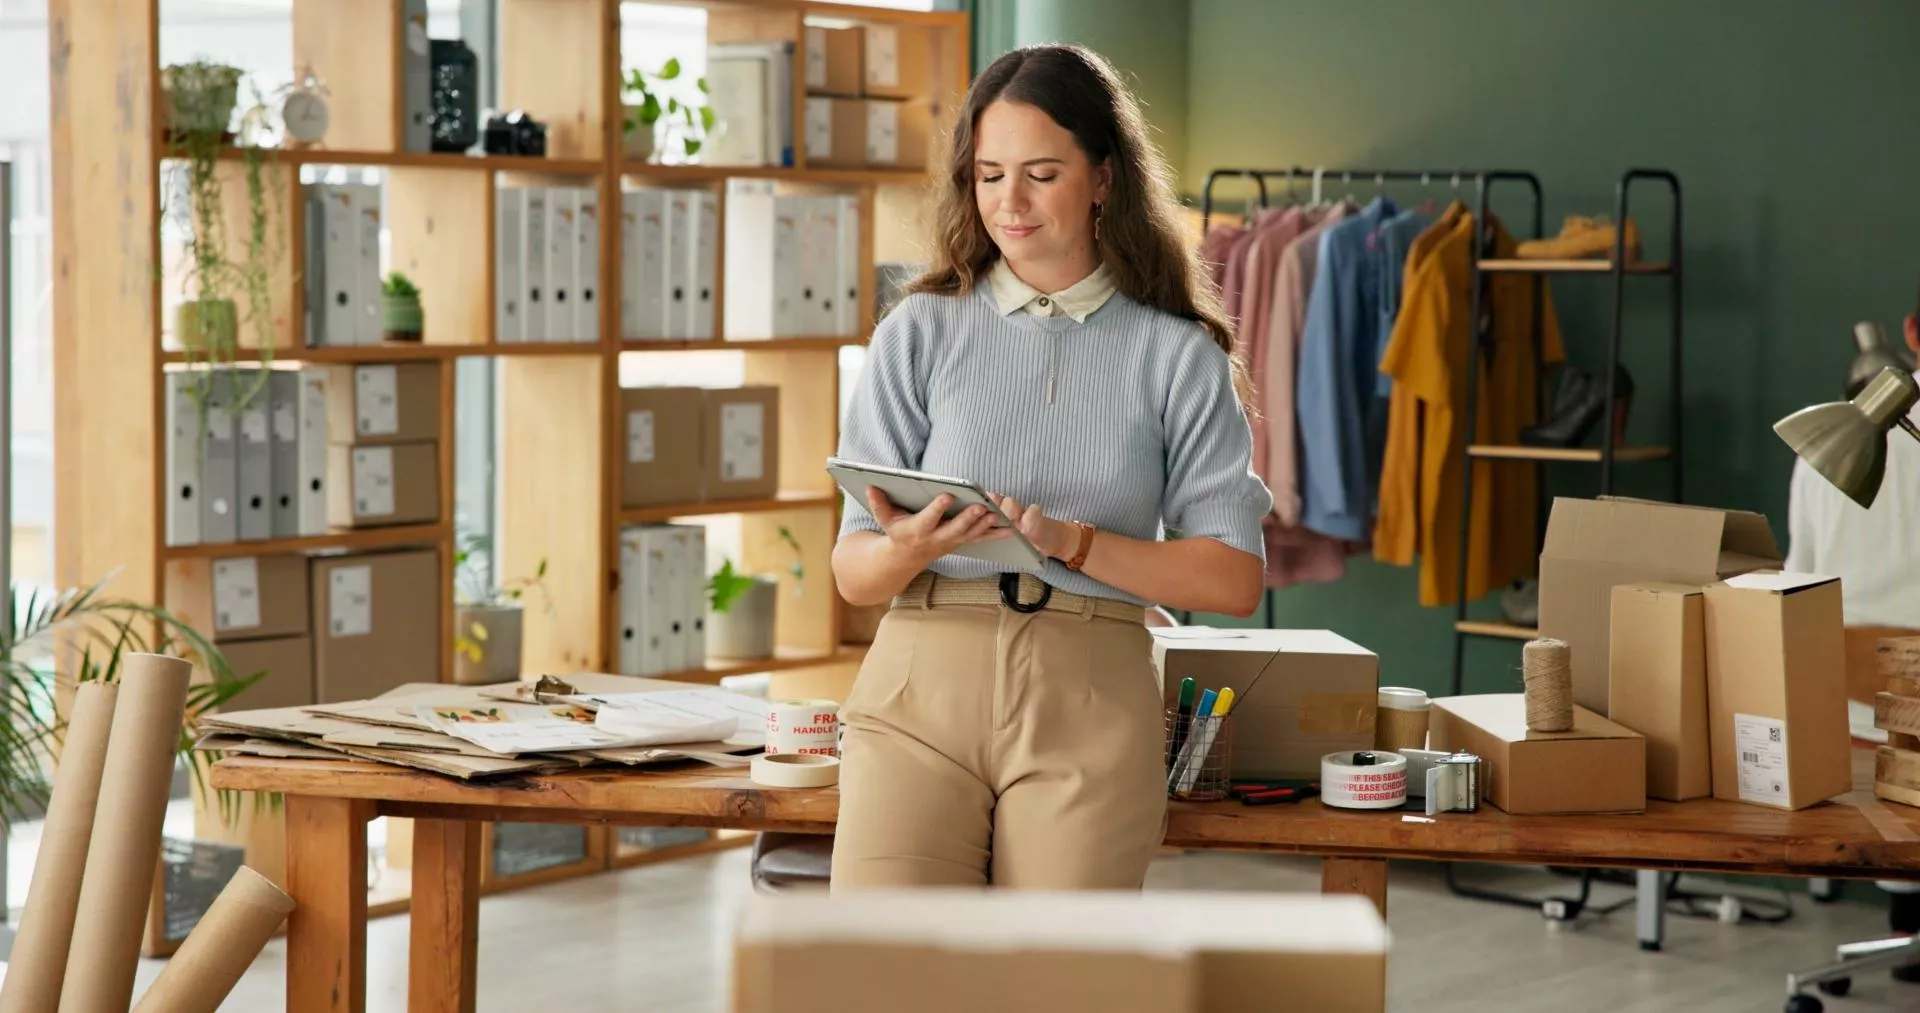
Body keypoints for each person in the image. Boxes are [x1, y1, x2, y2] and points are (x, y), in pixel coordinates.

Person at [827, 43, 1272, 891]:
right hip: (920, 680)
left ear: (1104, 178)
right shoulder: (917, 331)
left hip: (1092, 695)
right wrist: (910, 546)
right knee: (881, 965)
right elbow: (853, 569)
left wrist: (1073, 541)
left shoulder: (1176, 354)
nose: (1010, 203)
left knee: (1058, 976)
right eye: (989, 175)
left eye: (1040, 173)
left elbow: (1232, 578)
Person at [1784, 300, 1920, 973]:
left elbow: (1794, 586)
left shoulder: (1825, 445)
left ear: (1912, 334)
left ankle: (1903, 912)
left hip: (1847, 718)